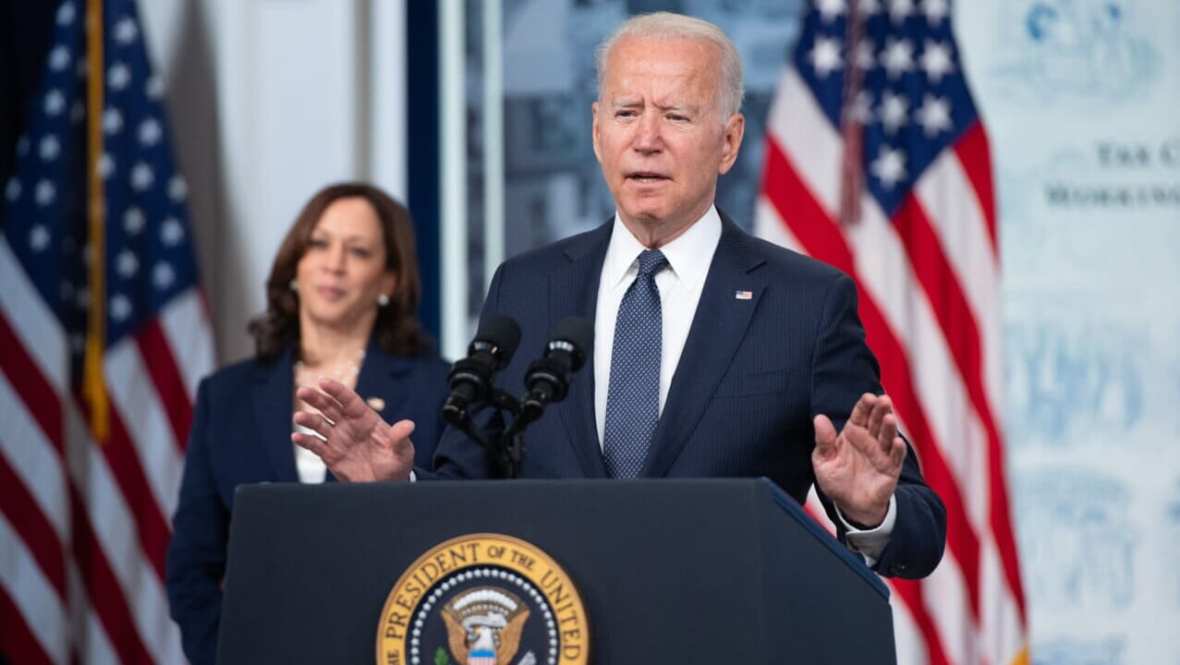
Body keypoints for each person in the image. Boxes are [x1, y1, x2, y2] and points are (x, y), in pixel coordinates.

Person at [293, 13, 946, 579]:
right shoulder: (526, 287)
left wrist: (870, 506)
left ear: (728, 141)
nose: (647, 138)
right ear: (598, 129)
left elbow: (920, 530)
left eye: (677, 115)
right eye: (628, 112)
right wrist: (396, 488)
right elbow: (468, 488)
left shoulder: (805, 303)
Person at [165, 182, 450, 665]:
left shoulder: (438, 388)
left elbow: (458, 534)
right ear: (295, 262)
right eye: (318, 244)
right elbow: (192, 566)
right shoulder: (226, 396)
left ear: (390, 281)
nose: (333, 264)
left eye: (357, 251)